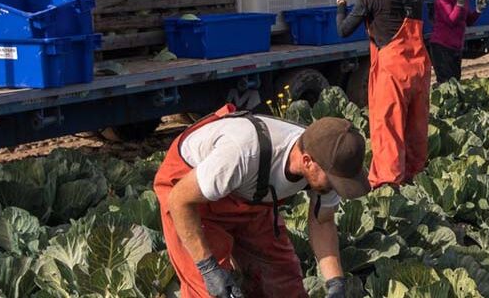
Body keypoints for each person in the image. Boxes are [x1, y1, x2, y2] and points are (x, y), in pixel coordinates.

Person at [155, 104, 369, 298]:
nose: (335, 187)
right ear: (307, 162)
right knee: (212, 292)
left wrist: (336, 284)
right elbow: (179, 200)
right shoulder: (242, 152)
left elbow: (322, 221)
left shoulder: (329, 162)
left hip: (251, 200)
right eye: (334, 181)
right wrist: (208, 268)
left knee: (285, 286)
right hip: (191, 198)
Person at [335, 0, 431, 188]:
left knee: (388, 129)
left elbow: (343, 30)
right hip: (419, 68)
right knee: (416, 127)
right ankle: (416, 180)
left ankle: (388, 186)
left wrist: (341, 0)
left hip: (392, 71)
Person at [431, 0, 489, 84]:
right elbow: (451, 21)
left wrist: (478, 10)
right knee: (446, 84)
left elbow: (468, 21)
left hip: (456, 47)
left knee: (455, 82)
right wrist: (459, 4)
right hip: (442, 46)